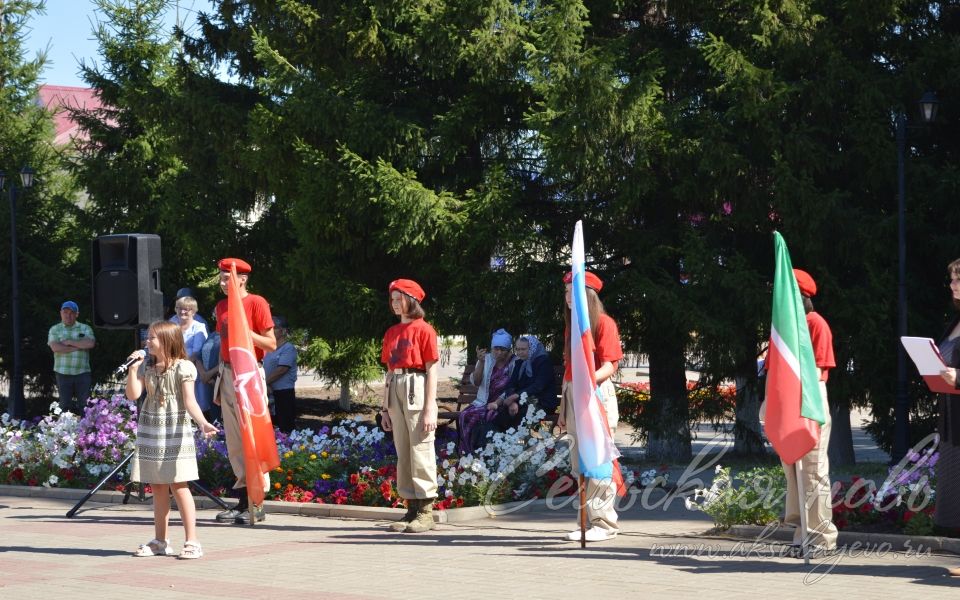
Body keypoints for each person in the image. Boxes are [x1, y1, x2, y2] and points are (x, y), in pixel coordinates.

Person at [124, 320, 218, 560]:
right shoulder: (148, 368)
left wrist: (203, 422)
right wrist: (133, 369)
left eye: (152, 338)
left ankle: (192, 541)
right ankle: (161, 541)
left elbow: (189, 401)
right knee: (157, 486)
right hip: (152, 429)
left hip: (174, 430)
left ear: (167, 340)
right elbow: (134, 394)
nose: (147, 342)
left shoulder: (183, 367)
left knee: (179, 484)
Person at [558, 271, 623, 542]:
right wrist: (563, 410)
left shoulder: (604, 323)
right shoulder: (573, 325)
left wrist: (587, 381)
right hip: (575, 393)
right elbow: (569, 368)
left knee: (597, 458)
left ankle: (604, 523)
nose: (566, 297)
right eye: (566, 291)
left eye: (571, 291)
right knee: (579, 461)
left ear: (587, 296)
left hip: (595, 392)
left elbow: (610, 365)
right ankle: (586, 521)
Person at [213, 257, 276, 525]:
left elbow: (271, 343)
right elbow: (222, 343)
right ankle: (241, 499)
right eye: (221, 277)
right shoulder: (222, 306)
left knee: (253, 435)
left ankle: (256, 501)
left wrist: (245, 333)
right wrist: (219, 377)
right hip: (227, 373)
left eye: (228, 277)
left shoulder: (256, 303)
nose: (223, 282)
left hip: (249, 373)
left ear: (242, 278)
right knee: (235, 442)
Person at [781, 268, 839, 556]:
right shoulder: (784, 326)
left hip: (810, 400)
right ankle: (801, 533)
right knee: (794, 472)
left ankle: (821, 538)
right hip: (788, 404)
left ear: (800, 296)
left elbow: (817, 371)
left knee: (813, 470)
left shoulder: (816, 324)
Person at [380, 278, 439, 533]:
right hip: (396, 386)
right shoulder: (391, 332)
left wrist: (430, 407)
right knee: (403, 450)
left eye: (398, 299)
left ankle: (426, 510)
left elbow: (432, 370)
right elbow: (388, 371)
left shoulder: (425, 330)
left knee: (420, 448)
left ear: (411, 301)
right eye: (392, 300)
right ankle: (411, 507)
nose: (394, 304)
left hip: (417, 384)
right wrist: (384, 408)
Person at [935, 258, 960, 577]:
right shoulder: (953, 321)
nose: (953, 285)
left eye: (958, 279)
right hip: (952, 417)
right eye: (952, 279)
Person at [456, 328, 518, 454]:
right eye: (496, 349)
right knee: (464, 415)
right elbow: (476, 382)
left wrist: (500, 402)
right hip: (483, 401)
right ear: (491, 348)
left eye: (503, 349)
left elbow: (514, 385)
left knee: (488, 417)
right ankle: (467, 451)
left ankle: (488, 453)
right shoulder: (487, 359)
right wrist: (481, 362)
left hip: (502, 403)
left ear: (509, 350)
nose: (499, 352)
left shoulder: (515, 362)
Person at [492, 335, 557, 431]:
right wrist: (512, 402)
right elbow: (511, 384)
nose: (520, 352)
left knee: (522, 417)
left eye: (523, 349)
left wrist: (515, 397)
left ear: (532, 348)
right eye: (517, 349)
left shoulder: (543, 362)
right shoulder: (520, 362)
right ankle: (502, 444)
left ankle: (523, 444)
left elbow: (538, 387)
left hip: (541, 402)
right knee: (501, 416)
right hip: (522, 401)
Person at [47, 300, 96, 413]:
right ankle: (63, 430)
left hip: (83, 372)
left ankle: (86, 429)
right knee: (64, 405)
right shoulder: (55, 329)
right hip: (62, 373)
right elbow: (55, 347)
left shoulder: (85, 328)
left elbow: (90, 344)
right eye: (65, 312)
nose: (68, 315)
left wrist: (69, 341)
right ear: (61, 313)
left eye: (71, 312)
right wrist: (79, 346)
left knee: (85, 405)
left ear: (76, 314)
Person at [264, 316, 298, 434]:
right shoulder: (270, 349)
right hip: (270, 393)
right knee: (272, 428)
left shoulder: (288, 348)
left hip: (284, 394)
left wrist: (264, 383)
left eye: (274, 328)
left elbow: (282, 369)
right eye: (269, 328)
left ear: (283, 331)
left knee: (285, 429)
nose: (271, 331)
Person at [196, 310, 221, 423]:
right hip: (209, 383)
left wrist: (208, 375)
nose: (217, 316)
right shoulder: (212, 335)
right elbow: (199, 357)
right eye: (215, 314)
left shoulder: (231, 334)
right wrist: (204, 375)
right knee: (214, 418)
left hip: (220, 382)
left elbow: (228, 360)